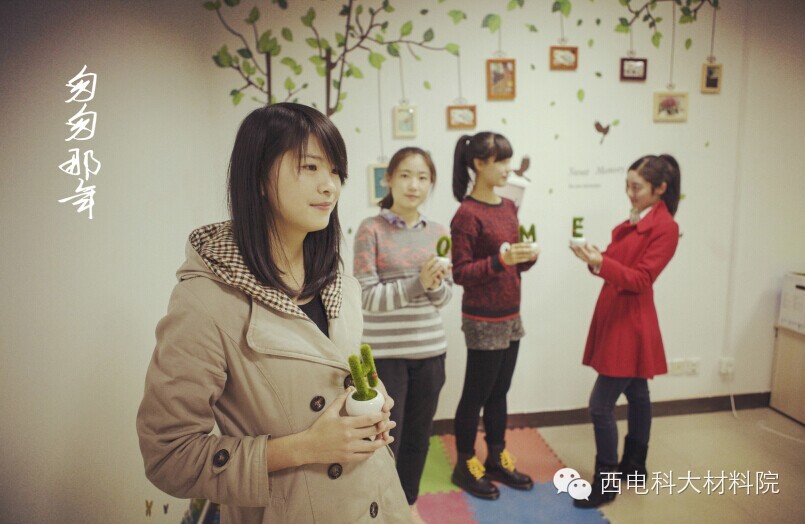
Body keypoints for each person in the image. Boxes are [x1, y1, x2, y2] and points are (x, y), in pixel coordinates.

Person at [136, 103, 411, 523]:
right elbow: (168, 456)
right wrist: (305, 447)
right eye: (310, 167)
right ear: (258, 177)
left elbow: (336, 372)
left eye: (335, 171)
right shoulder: (206, 301)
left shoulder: (339, 280)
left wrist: (371, 401)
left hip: (379, 499)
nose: (330, 187)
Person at [569, 154, 681, 509]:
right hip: (620, 315)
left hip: (630, 323)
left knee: (600, 405)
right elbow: (618, 263)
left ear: (660, 188)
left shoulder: (665, 227)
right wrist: (595, 258)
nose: (630, 193)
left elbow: (641, 279)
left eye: (637, 187)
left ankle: (606, 481)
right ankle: (634, 467)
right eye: (628, 186)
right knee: (638, 394)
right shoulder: (637, 220)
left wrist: (601, 262)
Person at [353, 147, 453, 523]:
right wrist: (418, 283)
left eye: (423, 177)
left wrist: (434, 284)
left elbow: (444, 297)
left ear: (431, 184)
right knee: (381, 438)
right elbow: (367, 297)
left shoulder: (439, 232)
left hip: (430, 351)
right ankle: (380, 507)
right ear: (389, 179)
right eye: (406, 175)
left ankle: (408, 505)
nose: (414, 185)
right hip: (385, 355)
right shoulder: (370, 229)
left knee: (418, 436)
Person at [448, 132, 538, 500]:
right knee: (475, 395)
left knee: (499, 392)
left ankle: (497, 458)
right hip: (483, 319)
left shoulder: (509, 206)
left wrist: (525, 258)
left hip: (511, 313)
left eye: (508, 160)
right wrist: (501, 260)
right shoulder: (466, 214)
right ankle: (465, 464)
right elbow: (460, 273)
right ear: (478, 164)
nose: (507, 169)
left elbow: (511, 262)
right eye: (500, 161)